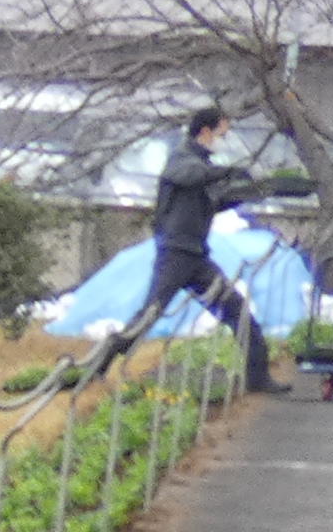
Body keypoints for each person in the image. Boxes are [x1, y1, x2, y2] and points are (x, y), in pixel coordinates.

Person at [132, 106, 311, 392]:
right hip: (176, 256)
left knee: (239, 314)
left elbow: (214, 202)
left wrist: (261, 189)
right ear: (205, 131)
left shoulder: (200, 167)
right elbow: (188, 175)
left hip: (196, 259)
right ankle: (98, 367)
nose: (223, 141)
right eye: (221, 134)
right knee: (147, 316)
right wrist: (227, 171)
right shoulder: (182, 158)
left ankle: (257, 379)